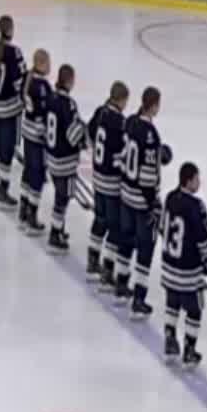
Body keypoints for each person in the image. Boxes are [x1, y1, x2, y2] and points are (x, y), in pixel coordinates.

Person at [115, 86, 168, 318]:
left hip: (125, 193)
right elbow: (148, 175)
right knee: (145, 249)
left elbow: (122, 155)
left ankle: (120, 284)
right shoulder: (151, 135)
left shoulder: (129, 122)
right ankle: (138, 298)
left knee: (125, 240)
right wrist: (153, 203)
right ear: (154, 105)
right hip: (141, 199)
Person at [159, 162, 207, 369]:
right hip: (188, 273)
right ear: (189, 180)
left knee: (172, 304)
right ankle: (189, 350)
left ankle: (170, 340)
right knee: (194, 310)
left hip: (168, 266)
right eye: (197, 179)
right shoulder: (196, 206)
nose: (199, 182)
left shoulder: (170, 198)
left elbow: (164, 228)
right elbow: (203, 240)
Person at [87, 81, 129, 285]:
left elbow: (89, 133)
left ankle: (92, 259)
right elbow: (124, 153)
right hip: (112, 182)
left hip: (97, 177)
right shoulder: (120, 122)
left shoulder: (100, 112)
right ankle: (108, 269)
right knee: (114, 226)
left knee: (99, 218)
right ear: (121, 100)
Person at [43, 63, 87, 252]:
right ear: (69, 81)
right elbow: (72, 135)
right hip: (65, 161)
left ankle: (58, 228)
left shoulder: (51, 98)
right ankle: (55, 232)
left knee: (60, 195)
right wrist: (83, 134)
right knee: (63, 197)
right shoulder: (68, 104)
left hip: (51, 157)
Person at [0, 15, 25, 207]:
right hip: (10, 109)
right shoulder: (15, 53)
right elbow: (19, 83)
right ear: (10, 30)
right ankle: (2, 186)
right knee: (7, 149)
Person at [18, 48, 52, 232]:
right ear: (41, 63)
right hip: (38, 135)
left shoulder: (27, 78)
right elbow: (46, 114)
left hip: (27, 129)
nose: (50, 66)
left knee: (28, 168)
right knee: (38, 174)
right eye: (48, 63)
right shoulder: (43, 88)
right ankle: (31, 212)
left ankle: (23, 206)